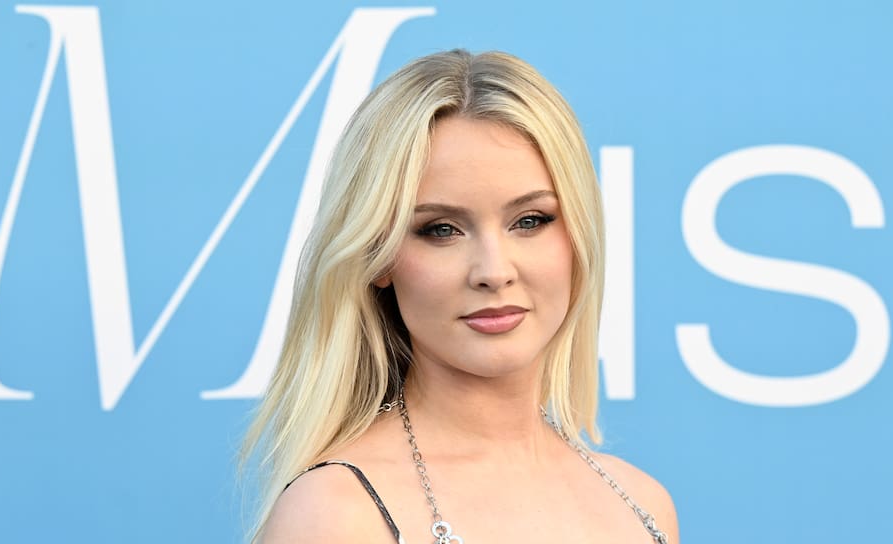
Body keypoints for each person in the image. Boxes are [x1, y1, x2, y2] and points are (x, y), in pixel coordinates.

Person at [240, 49, 679, 543]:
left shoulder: (642, 502)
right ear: (378, 257)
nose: (494, 272)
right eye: (441, 229)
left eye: (530, 221)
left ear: (579, 234)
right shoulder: (336, 514)